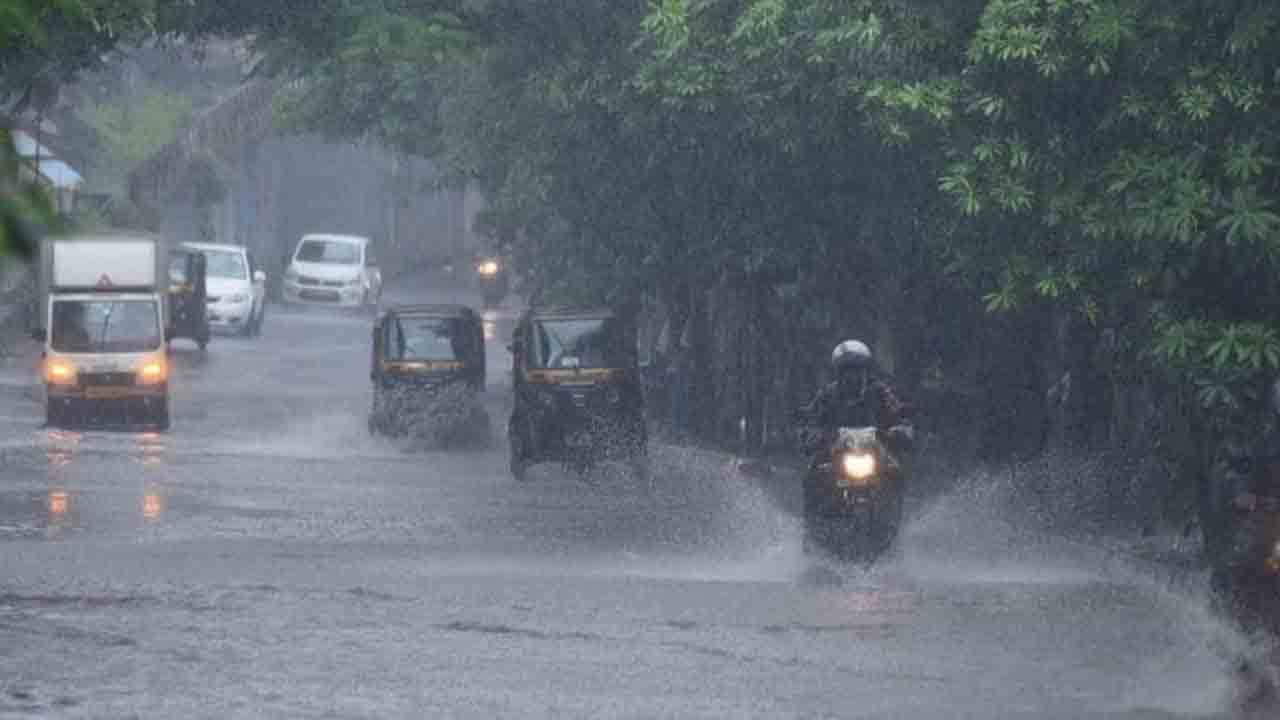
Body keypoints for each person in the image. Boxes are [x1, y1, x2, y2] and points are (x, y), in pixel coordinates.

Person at [800, 340, 911, 438]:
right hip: (834, 452)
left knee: (892, 462)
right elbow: (812, 418)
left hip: (876, 450)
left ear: (866, 372)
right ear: (839, 373)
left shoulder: (879, 391)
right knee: (818, 461)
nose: (852, 376)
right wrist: (812, 432)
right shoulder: (827, 394)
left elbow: (897, 412)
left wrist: (900, 428)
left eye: (857, 370)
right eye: (846, 371)